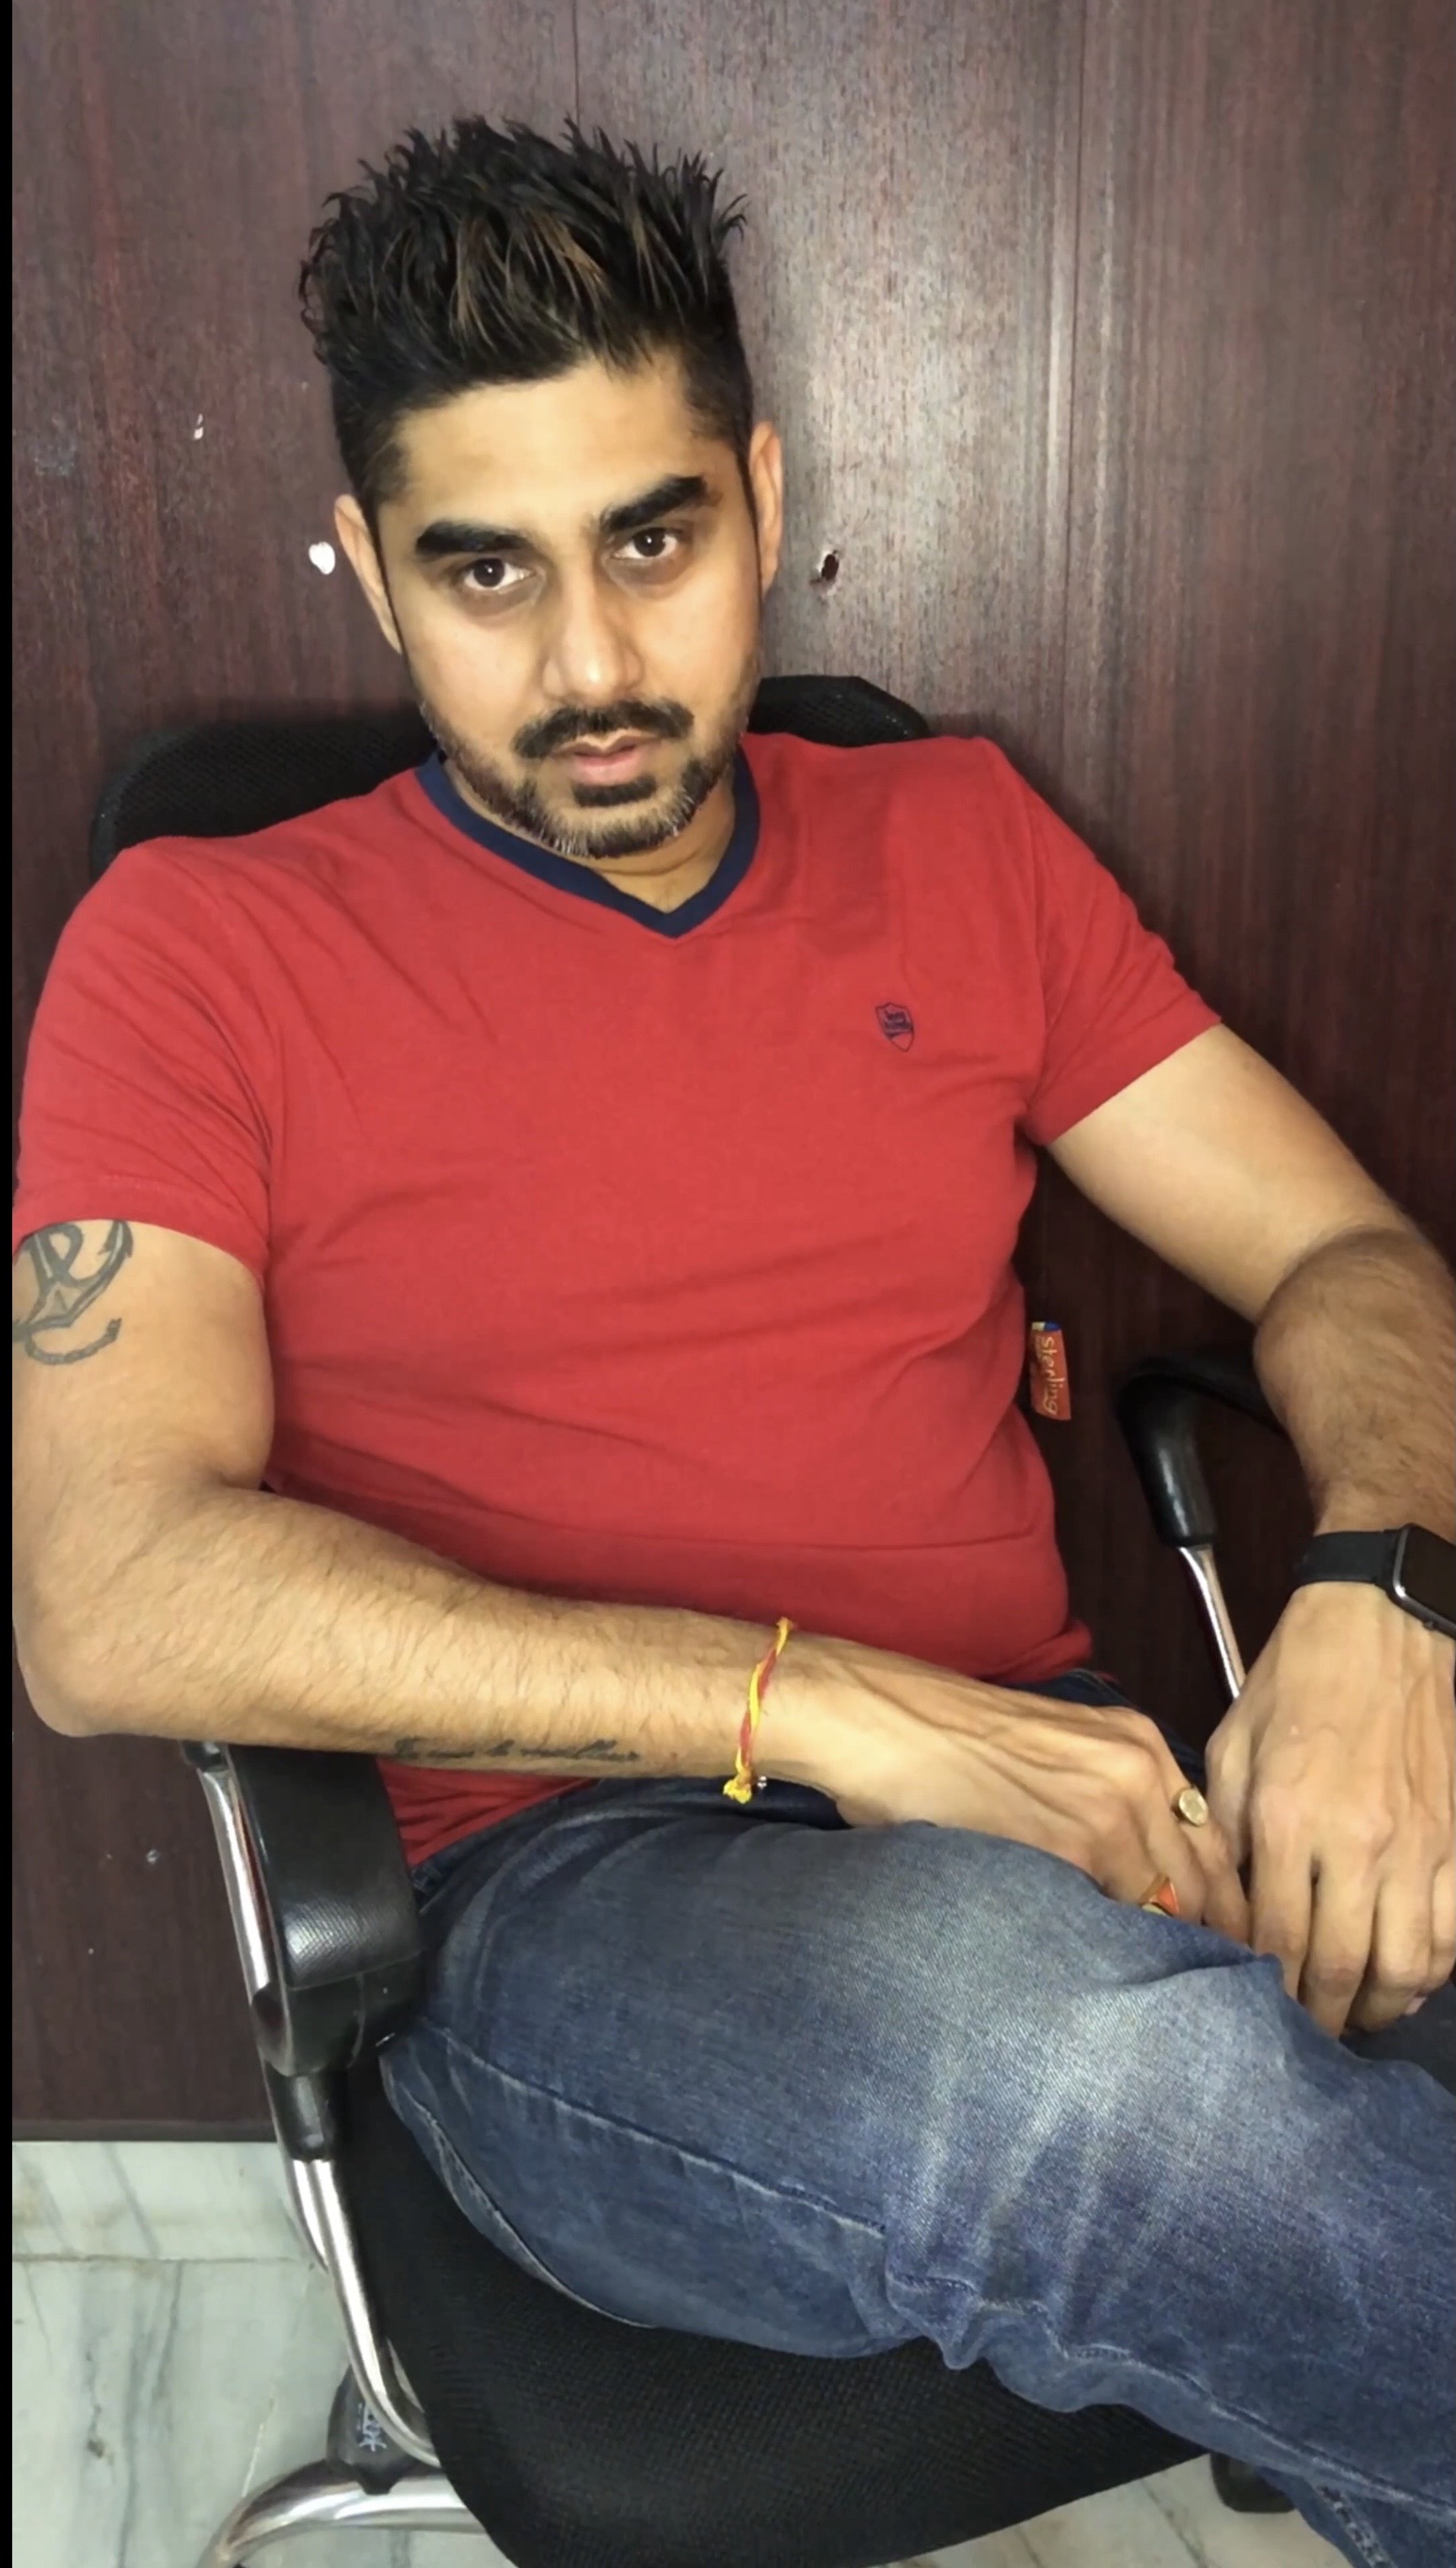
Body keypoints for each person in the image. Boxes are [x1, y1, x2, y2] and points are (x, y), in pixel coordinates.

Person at [10, 118, 1454, 2568]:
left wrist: (1386, 1594)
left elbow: (1346, 1258)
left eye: (651, 541)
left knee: (1148, 2051)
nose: (587, 666)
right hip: (574, 1899)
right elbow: (109, 1587)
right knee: (1089, 2089)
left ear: (764, 499)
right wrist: (825, 1707)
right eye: (482, 569)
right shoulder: (199, 949)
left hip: (1059, 1804)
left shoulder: (959, 840)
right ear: (369, 563)